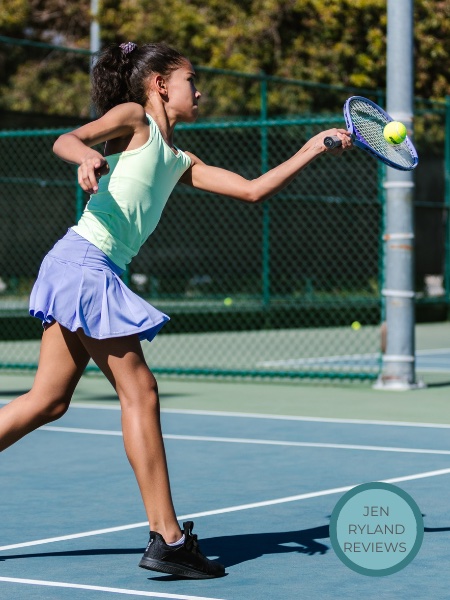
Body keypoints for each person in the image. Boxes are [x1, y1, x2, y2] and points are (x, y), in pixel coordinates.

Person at [0, 41, 352, 579]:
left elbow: (253, 190)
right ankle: (167, 539)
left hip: (85, 267)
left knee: (47, 401)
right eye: (192, 79)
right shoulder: (134, 117)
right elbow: (65, 140)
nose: (200, 89)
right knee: (140, 391)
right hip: (84, 264)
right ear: (161, 84)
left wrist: (311, 147)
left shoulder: (181, 159)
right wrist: (88, 157)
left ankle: (167, 539)